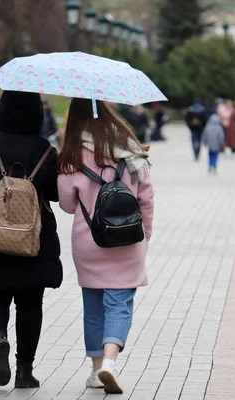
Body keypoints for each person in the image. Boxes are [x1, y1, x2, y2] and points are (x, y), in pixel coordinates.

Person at [0, 91, 63, 388]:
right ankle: (24, 370)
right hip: (34, 243)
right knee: (30, 302)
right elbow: (57, 195)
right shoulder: (45, 150)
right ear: (37, 115)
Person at [57, 98, 154, 394]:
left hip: (89, 241)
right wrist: (145, 235)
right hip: (127, 239)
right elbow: (146, 198)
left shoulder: (73, 152)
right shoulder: (130, 147)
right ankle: (111, 363)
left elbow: (67, 203)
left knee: (94, 307)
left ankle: (96, 369)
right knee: (119, 304)